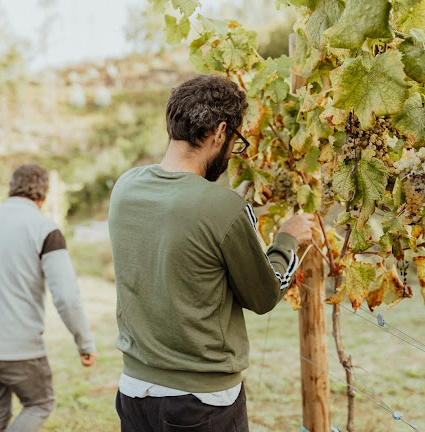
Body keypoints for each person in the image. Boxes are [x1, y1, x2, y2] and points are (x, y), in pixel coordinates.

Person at [108, 75, 315, 432]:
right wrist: (286, 240)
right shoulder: (223, 207)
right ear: (220, 132)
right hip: (200, 402)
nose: (234, 150)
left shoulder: (125, 186)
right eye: (236, 140)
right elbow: (264, 296)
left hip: (134, 392)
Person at [0, 163, 98, 432]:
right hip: (18, 350)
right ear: (45, 195)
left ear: (11, 188)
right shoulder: (46, 230)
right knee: (40, 403)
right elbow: (66, 296)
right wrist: (84, 343)